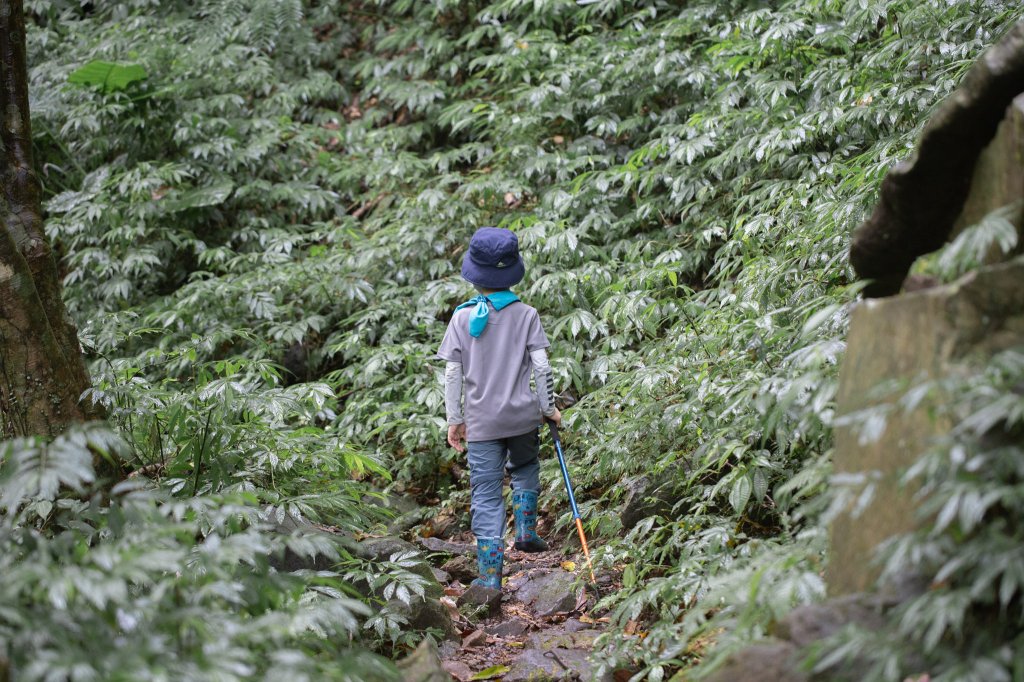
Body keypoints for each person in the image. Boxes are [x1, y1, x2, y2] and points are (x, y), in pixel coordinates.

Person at [436, 227, 561, 590]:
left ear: (474, 275)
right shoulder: (527, 314)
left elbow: (452, 374)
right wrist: (548, 407)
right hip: (523, 416)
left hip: (482, 423)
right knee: (524, 466)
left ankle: (490, 578)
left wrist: (455, 420)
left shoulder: (461, 319)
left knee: (487, 493)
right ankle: (525, 531)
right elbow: (541, 367)